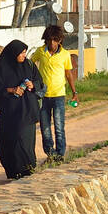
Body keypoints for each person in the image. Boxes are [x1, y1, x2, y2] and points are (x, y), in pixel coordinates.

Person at [0, 40, 42, 180]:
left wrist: (32, 84)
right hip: (9, 112)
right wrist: (11, 90)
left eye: (25, 52)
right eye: (21, 53)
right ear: (13, 54)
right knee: (9, 142)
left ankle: (28, 170)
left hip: (27, 110)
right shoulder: (1, 68)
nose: (24, 55)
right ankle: (14, 171)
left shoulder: (29, 65)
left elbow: (40, 82)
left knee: (25, 140)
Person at [30, 24, 77, 163]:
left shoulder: (65, 55)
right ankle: (50, 154)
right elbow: (31, 64)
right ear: (46, 40)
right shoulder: (40, 52)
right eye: (50, 40)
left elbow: (68, 74)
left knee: (58, 126)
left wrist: (74, 92)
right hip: (43, 96)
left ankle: (60, 154)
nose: (52, 43)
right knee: (45, 128)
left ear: (60, 40)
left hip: (58, 95)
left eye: (55, 40)